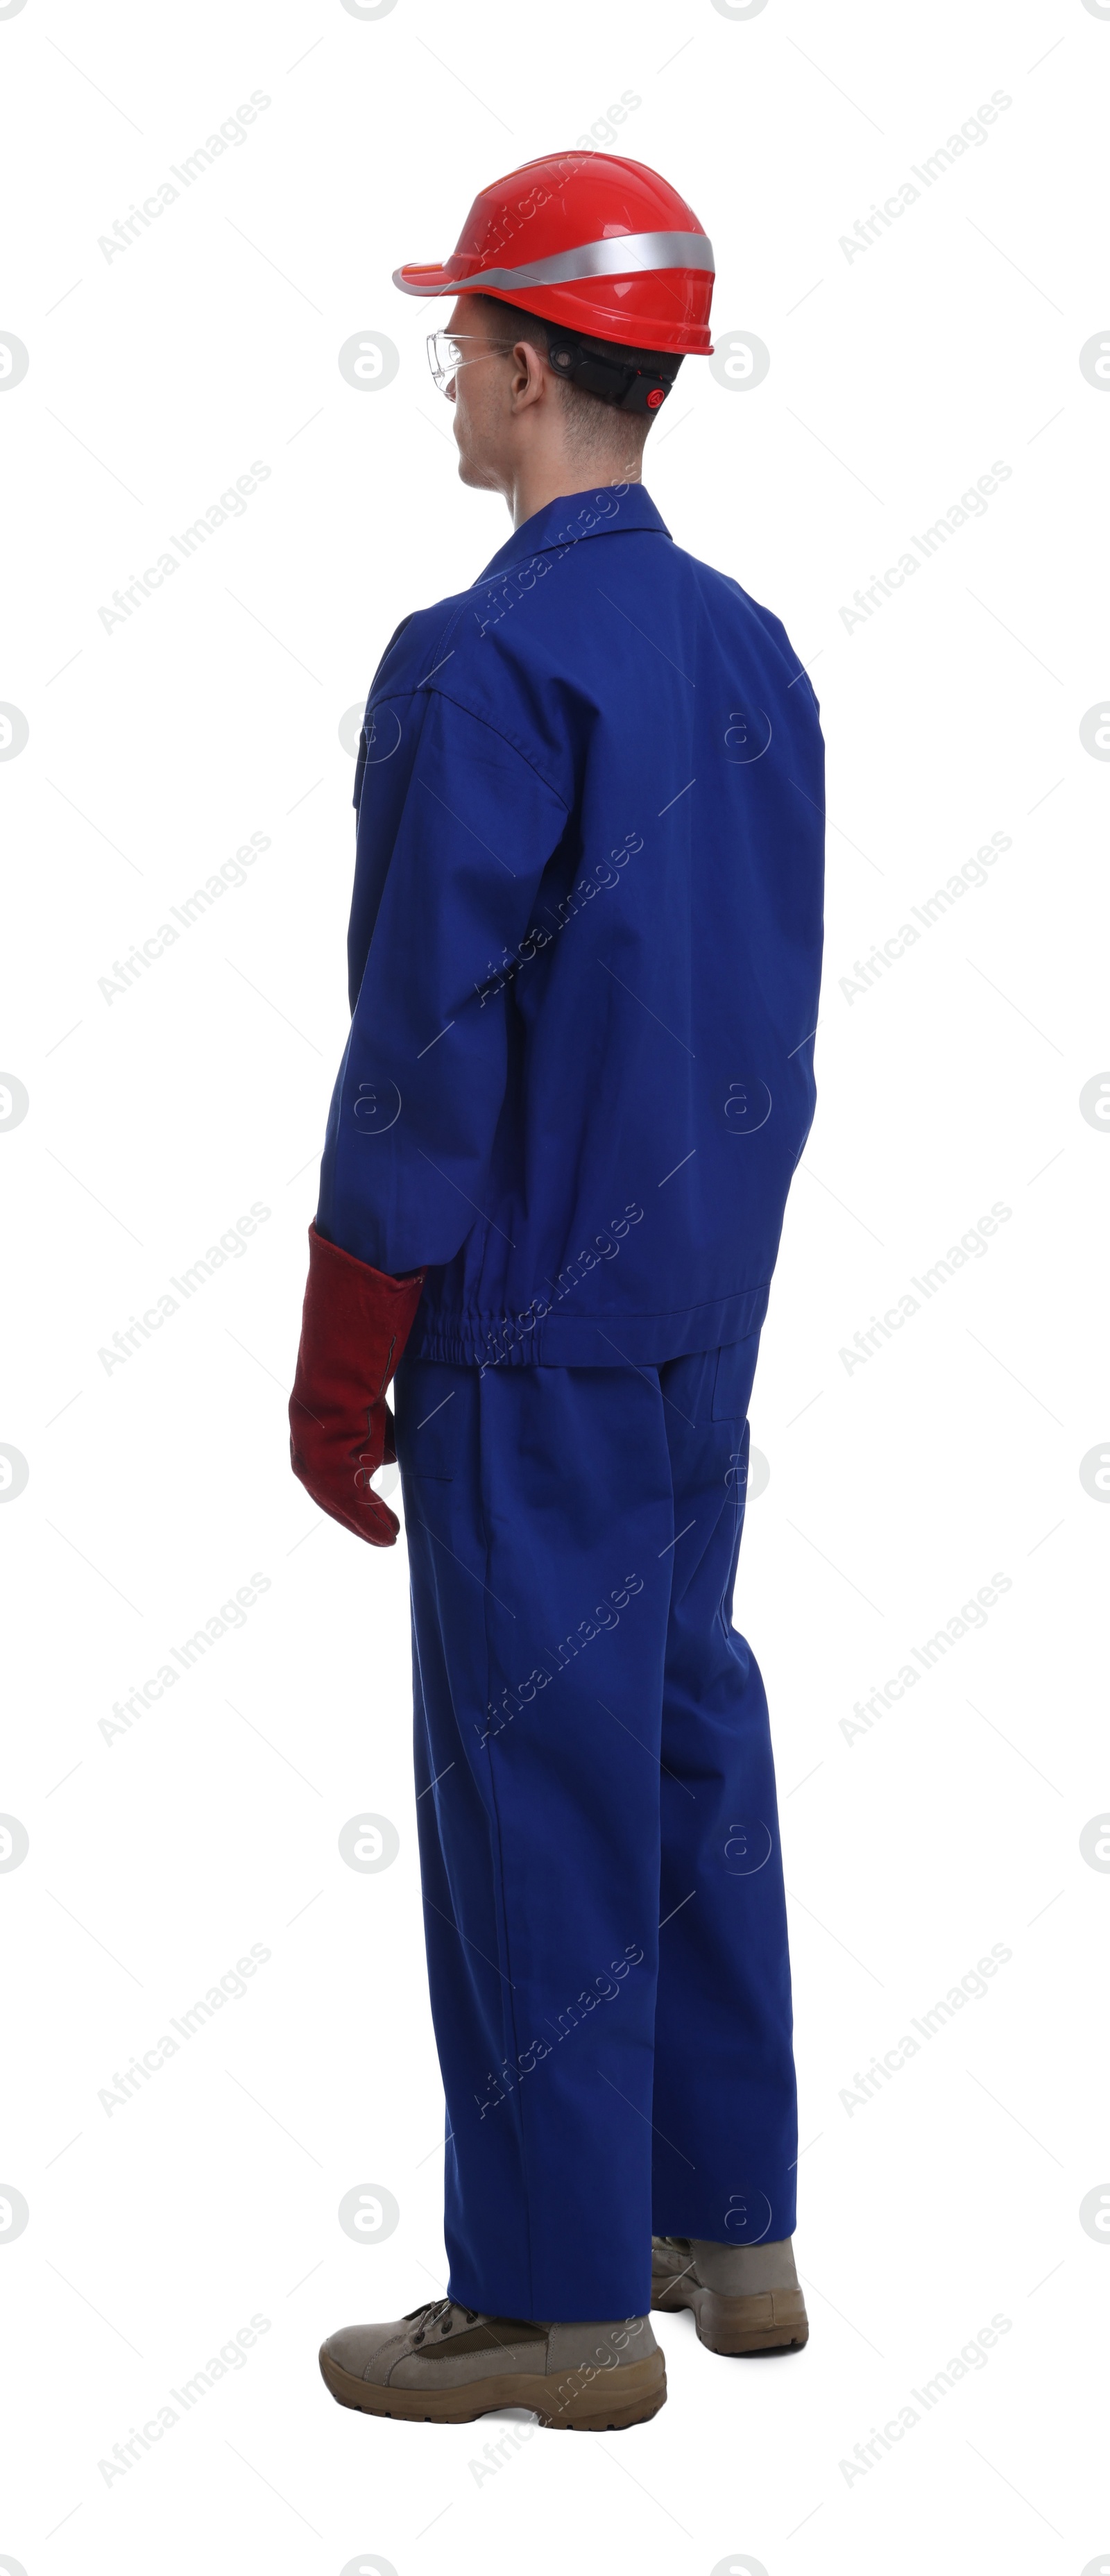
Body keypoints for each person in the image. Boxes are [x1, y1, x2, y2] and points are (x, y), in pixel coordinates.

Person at [289, 150, 824, 2432]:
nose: (448, 376)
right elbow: (758, 1003)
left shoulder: (483, 658)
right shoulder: (751, 651)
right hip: (703, 1314)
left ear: (522, 366)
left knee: (538, 1785)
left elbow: (428, 1045)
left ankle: (555, 2307)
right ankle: (738, 2232)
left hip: (523, 1328)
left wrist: (345, 1344)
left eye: (459, 342)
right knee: (688, 1729)